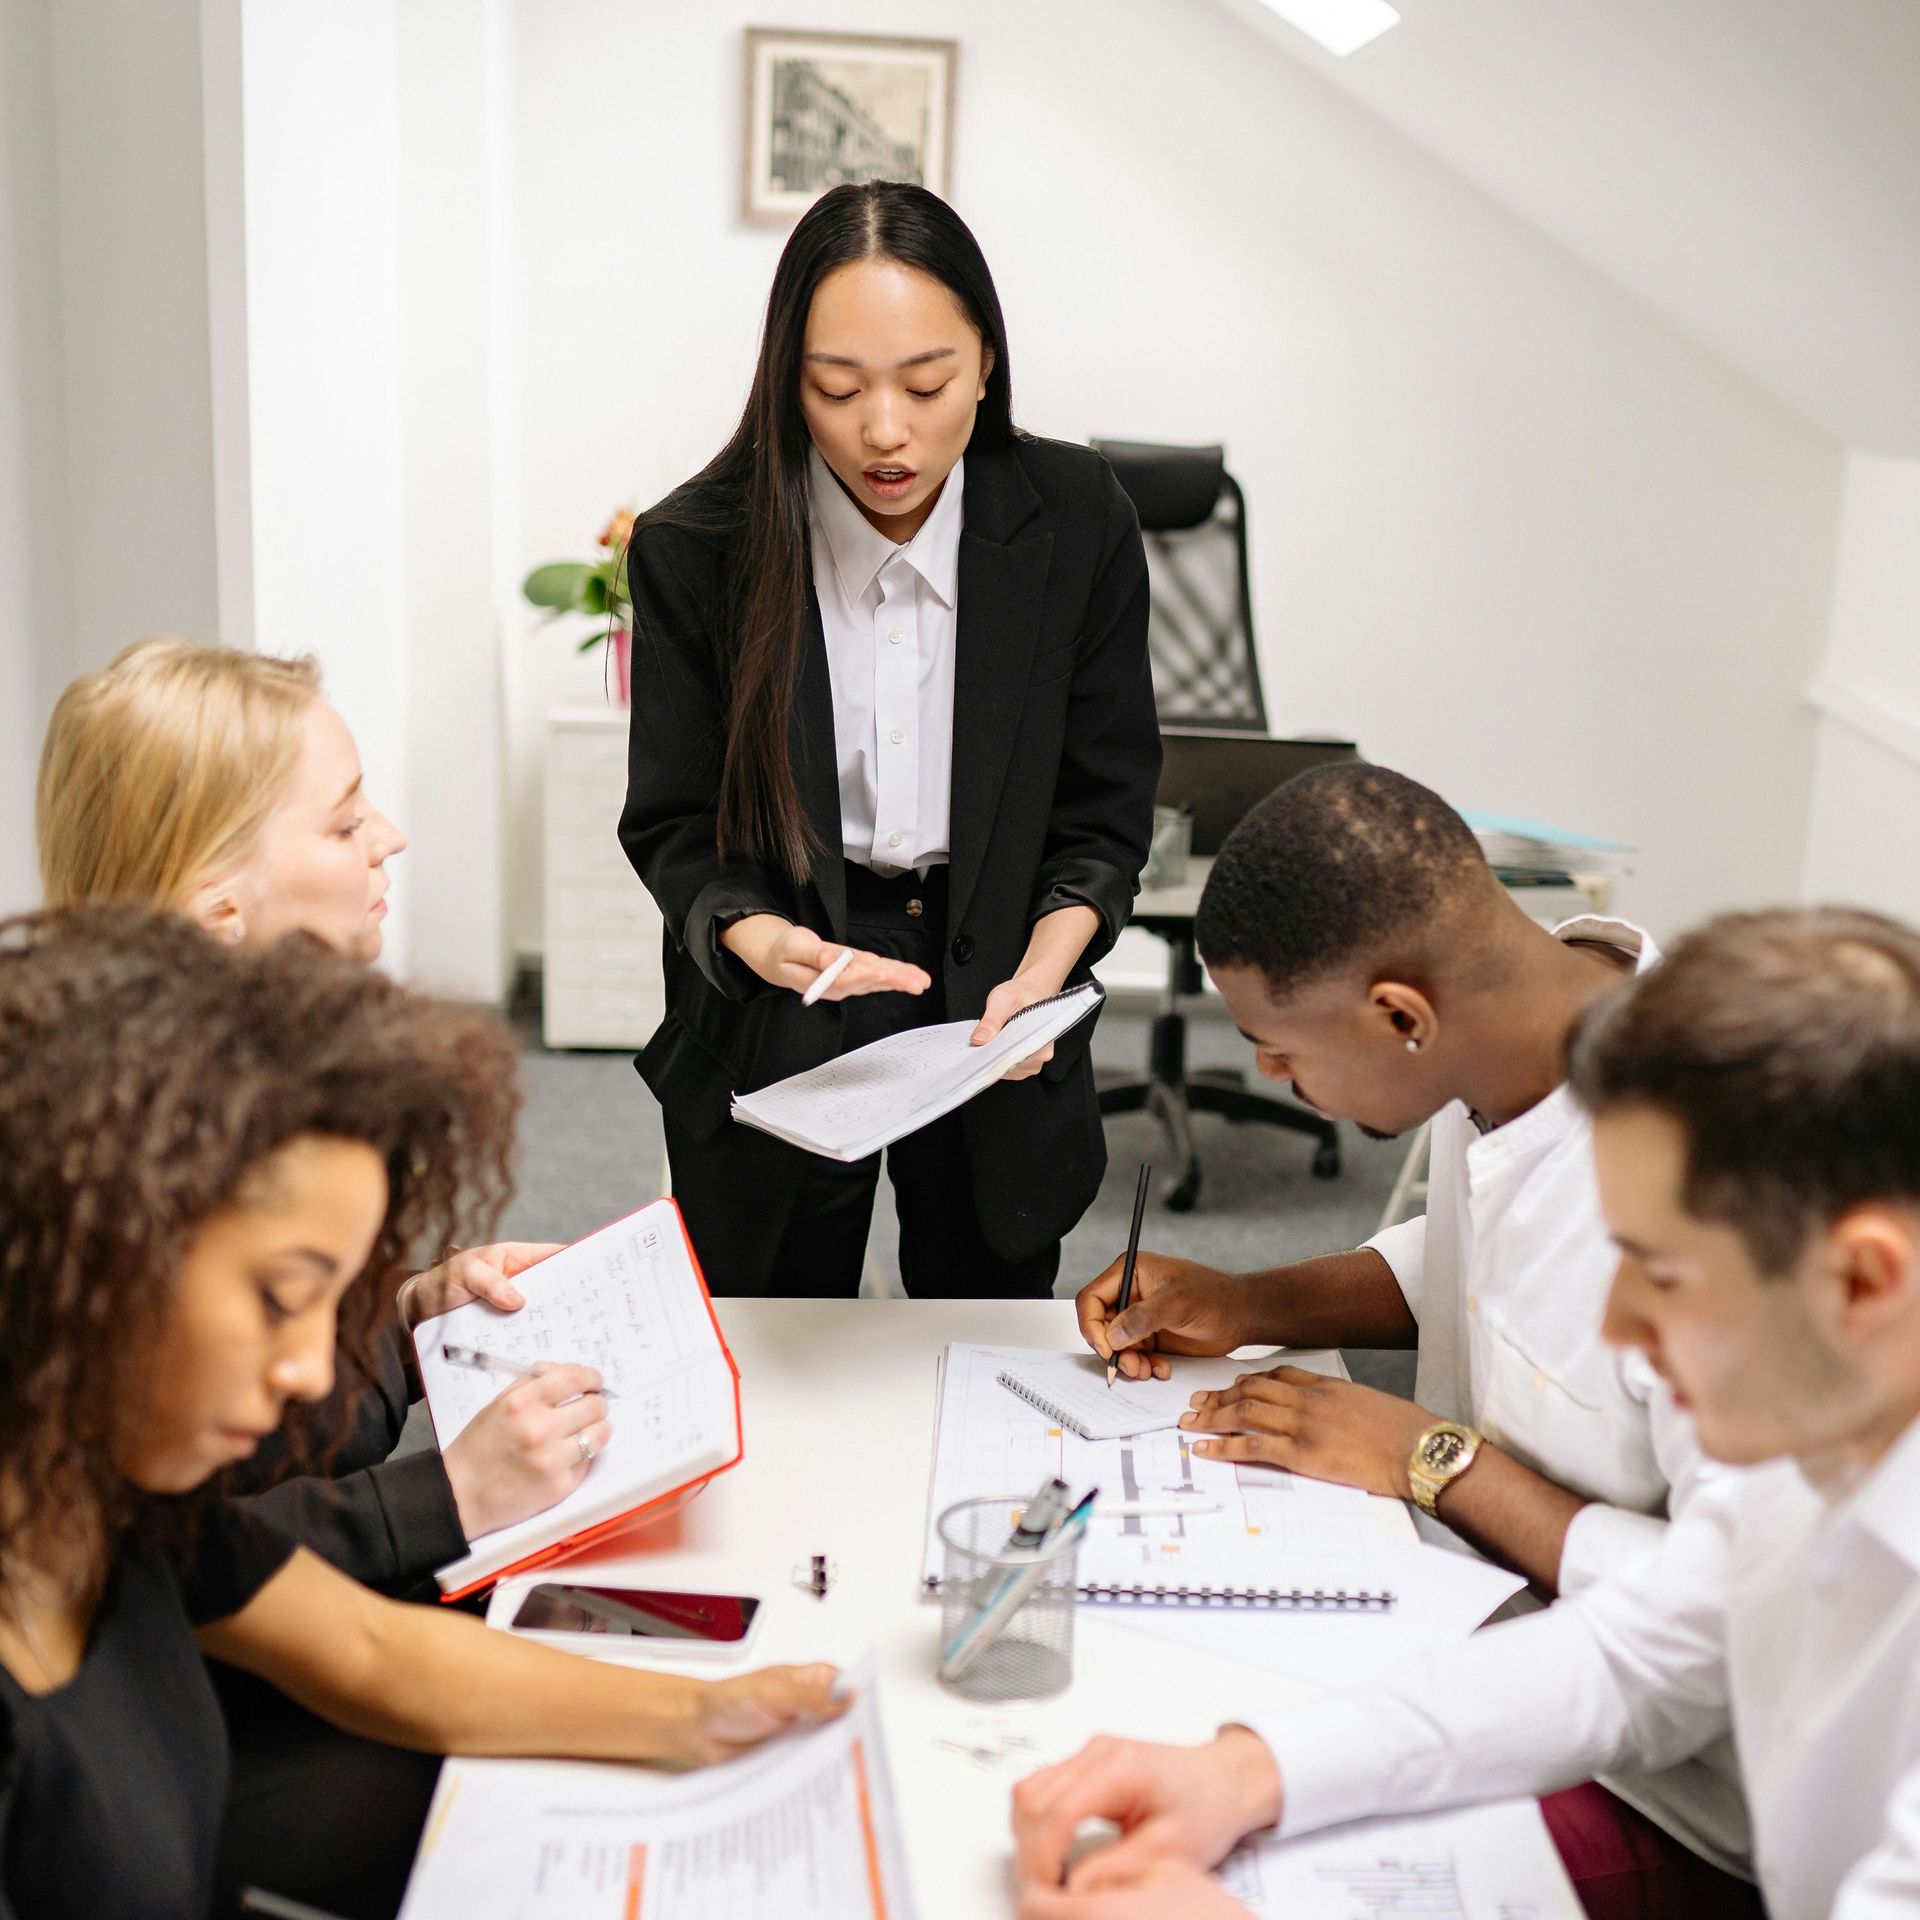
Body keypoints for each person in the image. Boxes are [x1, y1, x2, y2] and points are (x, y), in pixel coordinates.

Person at [1013, 905, 1920, 1920]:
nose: (1613, 1326)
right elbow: (1639, 1653)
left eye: (1662, 1275)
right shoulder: (1830, 1449)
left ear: (1862, 1282)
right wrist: (1249, 1772)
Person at [0, 907, 844, 1920]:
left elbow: (368, 1649)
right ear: (87, 1255)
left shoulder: (113, 1497)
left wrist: (704, 1714)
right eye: (280, 1297)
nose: (311, 1372)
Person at [1072, 763, 1742, 1881]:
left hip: (1676, 1790)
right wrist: (1249, 1302)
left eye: (1280, 1046)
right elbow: (1473, 1257)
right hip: (1468, 1620)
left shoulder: (1727, 1200)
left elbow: (1722, 1623)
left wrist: (1435, 1460)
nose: (1267, 1074)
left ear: (1400, 1017)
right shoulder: (1522, 1028)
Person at [620, 180, 1160, 1299]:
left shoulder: (1075, 520)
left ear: (987, 364)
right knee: (780, 1323)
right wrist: (759, 939)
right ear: (788, 380)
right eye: (835, 387)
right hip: (789, 974)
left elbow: (1103, 813)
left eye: (926, 384)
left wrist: (1044, 973)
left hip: (998, 965)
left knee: (980, 1314)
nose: (883, 431)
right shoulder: (697, 546)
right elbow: (676, 822)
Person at [37, 636, 587, 1580]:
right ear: (220, 910)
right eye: (343, 825)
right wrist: (448, 1495)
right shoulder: (110, 1169)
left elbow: (291, 1416)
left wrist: (413, 1315)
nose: (390, 837)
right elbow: (161, 1565)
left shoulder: (266, 1078)